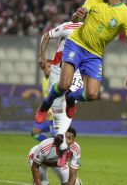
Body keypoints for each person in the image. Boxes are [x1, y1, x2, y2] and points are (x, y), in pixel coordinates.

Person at [35, 0, 127, 125]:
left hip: (94, 55)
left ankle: (71, 98)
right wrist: (77, 15)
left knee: (92, 94)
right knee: (64, 84)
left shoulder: (126, 15)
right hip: (76, 44)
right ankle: (45, 104)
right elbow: (75, 19)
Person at [38, 22, 84, 156]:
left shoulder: (96, 31)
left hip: (78, 70)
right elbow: (46, 36)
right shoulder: (69, 27)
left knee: (71, 100)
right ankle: (61, 143)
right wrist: (42, 58)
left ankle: (60, 143)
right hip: (58, 68)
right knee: (57, 104)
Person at [31, 59, 56, 142]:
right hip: (47, 112)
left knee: (56, 137)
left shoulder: (55, 81)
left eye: (50, 67)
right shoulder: (44, 80)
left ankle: (58, 149)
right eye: (46, 67)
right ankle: (50, 145)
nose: (48, 69)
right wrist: (41, 109)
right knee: (35, 133)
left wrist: (50, 111)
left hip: (55, 113)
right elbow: (46, 98)